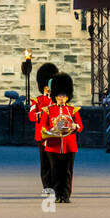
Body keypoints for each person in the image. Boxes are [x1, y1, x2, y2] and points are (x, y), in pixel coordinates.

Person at [40, 72, 83, 203]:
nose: (61, 98)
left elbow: (80, 126)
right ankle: (56, 195)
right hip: (53, 146)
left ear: (67, 96)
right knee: (55, 171)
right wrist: (51, 130)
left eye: (64, 95)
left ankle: (66, 194)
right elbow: (43, 127)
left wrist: (75, 125)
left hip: (69, 145)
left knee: (67, 172)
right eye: (59, 95)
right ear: (55, 96)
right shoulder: (48, 110)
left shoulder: (72, 110)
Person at [27, 62, 58, 193]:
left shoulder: (56, 100)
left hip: (55, 134)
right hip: (42, 135)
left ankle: (55, 185)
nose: (47, 89)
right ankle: (47, 186)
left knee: (55, 163)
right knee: (45, 163)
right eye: (45, 87)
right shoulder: (37, 100)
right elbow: (31, 115)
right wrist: (42, 114)